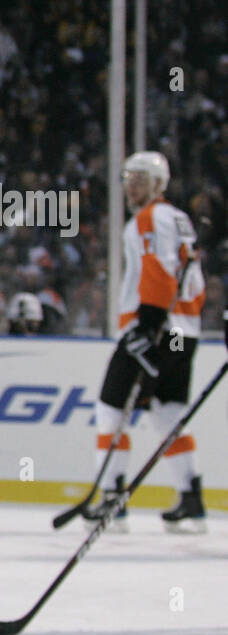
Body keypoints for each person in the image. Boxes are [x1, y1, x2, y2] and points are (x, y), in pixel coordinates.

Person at [82, 152, 206, 534]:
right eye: (128, 178)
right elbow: (194, 279)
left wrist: (148, 325)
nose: (132, 185)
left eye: (141, 178)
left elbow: (159, 269)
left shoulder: (149, 218)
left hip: (155, 328)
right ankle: (192, 500)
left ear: (159, 183)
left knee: (109, 411)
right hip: (184, 332)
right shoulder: (180, 219)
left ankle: (112, 500)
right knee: (167, 413)